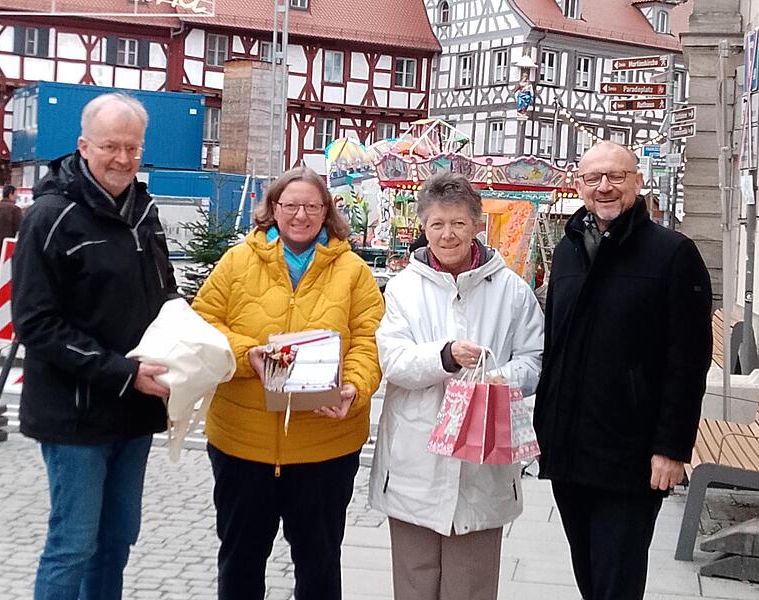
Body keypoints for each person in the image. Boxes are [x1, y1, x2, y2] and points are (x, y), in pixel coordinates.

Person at [11, 93, 178, 599]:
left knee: (117, 540)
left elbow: (165, 294)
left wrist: (191, 348)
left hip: (135, 412)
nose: (124, 159)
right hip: (74, 416)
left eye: (133, 147)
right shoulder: (49, 217)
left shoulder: (144, 212)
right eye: (111, 146)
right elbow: (36, 324)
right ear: (84, 146)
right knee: (73, 544)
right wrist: (123, 373)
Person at [191, 166, 384, 600]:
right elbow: (203, 321)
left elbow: (371, 340)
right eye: (291, 205)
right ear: (273, 208)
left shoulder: (352, 271)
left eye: (312, 206)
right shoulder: (238, 261)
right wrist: (248, 355)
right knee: (240, 561)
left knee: (318, 566)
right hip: (243, 444)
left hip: (324, 445)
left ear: (326, 212)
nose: (301, 215)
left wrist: (353, 388)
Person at [533, 141, 713, 600]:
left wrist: (672, 448)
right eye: (593, 178)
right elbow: (556, 344)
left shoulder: (673, 254)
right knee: (589, 577)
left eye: (615, 176)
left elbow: (689, 361)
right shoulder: (570, 251)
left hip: (632, 455)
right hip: (569, 449)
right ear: (579, 186)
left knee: (617, 583)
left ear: (638, 182)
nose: (604, 187)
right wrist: (544, 429)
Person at [369, 172, 544, 600]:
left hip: (482, 463)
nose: (447, 235)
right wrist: (444, 357)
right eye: (437, 224)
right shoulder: (403, 289)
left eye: (458, 224)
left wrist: (500, 378)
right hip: (415, 460)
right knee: (414, 581)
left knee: (471, 586)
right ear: (423, 227)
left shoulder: (512, 291)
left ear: (477, 225)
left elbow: (534, 360)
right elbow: (393, 361)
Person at [0, 183, 23, 288]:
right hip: (10, 250)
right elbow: (21, 230)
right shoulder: (15, 210)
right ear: (10, 194)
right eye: (16, 194)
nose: (17, 197)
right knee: (9, 277)